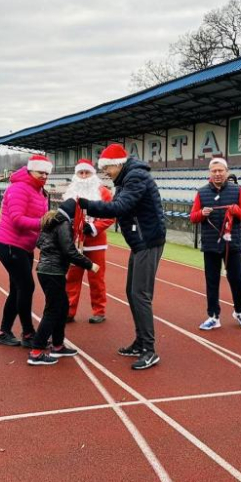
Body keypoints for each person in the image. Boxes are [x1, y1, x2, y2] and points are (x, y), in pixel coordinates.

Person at [77, 144, 166, 370]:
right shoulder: (128, 177)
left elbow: (120, 206)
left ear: (118, 164)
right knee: (132, 292)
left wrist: (86, 205)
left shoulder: (135, 177)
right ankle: (140, 341)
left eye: (108, 168)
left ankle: (149, 349)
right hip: (140, 242)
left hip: (148, 241)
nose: (107, 172)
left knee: (140, 295)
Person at [27, 199, 101, 365]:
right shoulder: (63, 224)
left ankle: (58, 345)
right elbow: (69, 251)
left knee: (62, 307)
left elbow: (39, 243)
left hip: (47, 270)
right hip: (52, 272)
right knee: (53, 310)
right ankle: (36, 351)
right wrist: (90, 265)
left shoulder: (51, 222)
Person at [0, 154, 52, 347]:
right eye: (39, 172)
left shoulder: (40, 191)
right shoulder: (18, 188)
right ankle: (28, 333)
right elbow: (17, 220)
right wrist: (43, 223)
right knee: (26, 287)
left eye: (46, 172)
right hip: (9, 244)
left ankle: (4, 331)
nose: (43, 175)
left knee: (18, 289)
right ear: (30, 170)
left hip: (24, 245)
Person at [189, 157, 241, 330]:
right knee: (212, 281)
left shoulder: (238, 190)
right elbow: (193, 217)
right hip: (210, 244)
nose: (217, 174)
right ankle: (213, 316)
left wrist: (236, 210)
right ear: (210, 173)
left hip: (232, 245)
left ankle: (239, 311)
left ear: (226, 171)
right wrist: (202, 213)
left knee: (238, 280)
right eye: (214, 171)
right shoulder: (202, 192)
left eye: (220, 171)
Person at [63, 159, 114, 324]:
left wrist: (92, 227)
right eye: (81, 173)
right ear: (76, 174)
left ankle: (99, 311)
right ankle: (68, 311)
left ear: (93, 174)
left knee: (96, 278)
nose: (84, 176)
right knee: (72, 278)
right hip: (74, 244)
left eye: (87, 173)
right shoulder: (70, 191)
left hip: (96, 244)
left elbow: (110, 216)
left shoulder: (104, 192)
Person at [227, 174, 241, 253]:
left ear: (235, 181)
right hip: (229, 213)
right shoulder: (225, 189)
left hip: (239, 213)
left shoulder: (240, 189)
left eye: (232, 180)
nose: (230, 182)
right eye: (229, 180)